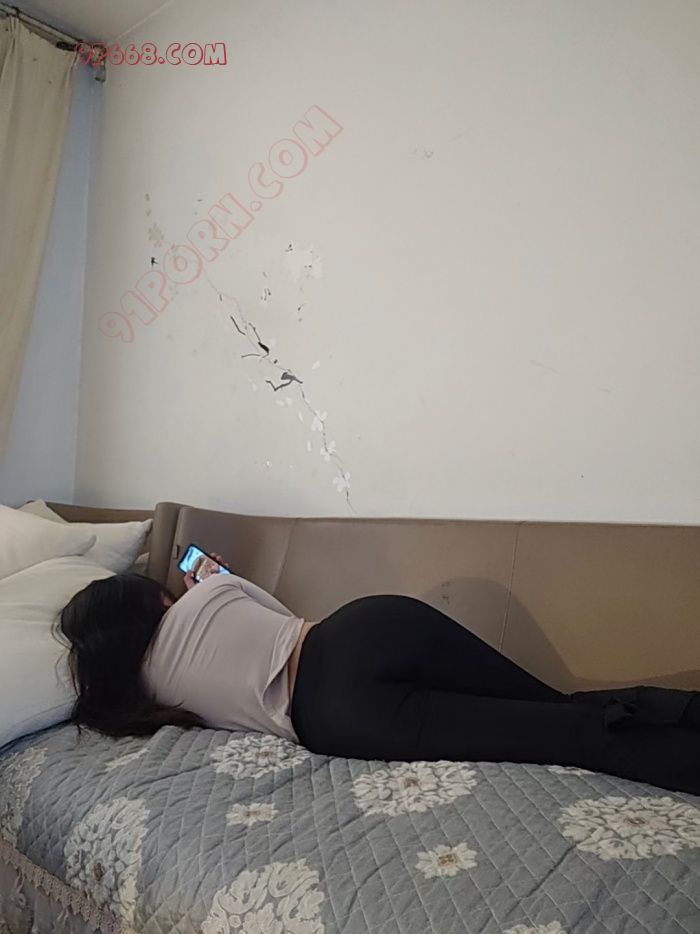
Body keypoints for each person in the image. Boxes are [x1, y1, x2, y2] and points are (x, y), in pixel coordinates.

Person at [56, 562, 700, 795]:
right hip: (366, 628)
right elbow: (285, 619)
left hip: (336, 713)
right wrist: (210, 585)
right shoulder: (209, 590)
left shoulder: (147, 701)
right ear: (152, 599)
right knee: (558, 706)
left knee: (566, 737)